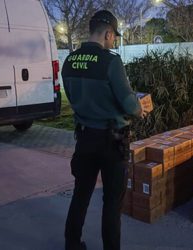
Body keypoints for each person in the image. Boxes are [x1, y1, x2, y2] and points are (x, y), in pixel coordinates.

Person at [61, 10, 147, 250]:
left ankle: (72, 243)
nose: (115, 41)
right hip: (112, 140)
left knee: (81, 194)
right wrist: (140, 109)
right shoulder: (111, 61)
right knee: (111, 202)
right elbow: (129, 103)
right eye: (114, 37)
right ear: (108, 33)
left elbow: (75, 96)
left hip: (85, 136)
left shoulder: (69, 61)